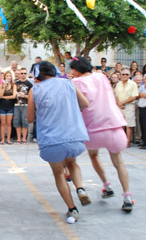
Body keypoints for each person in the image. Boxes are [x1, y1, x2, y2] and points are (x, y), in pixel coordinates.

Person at [27, 61, 90, 222]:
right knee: (72, 164)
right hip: (74, 136)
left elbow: (30, 118)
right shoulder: (68, 83)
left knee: (58, 174)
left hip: (51, 140)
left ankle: (72, 208)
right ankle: (80, 188)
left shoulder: (35, 90)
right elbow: (85, 103)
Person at [71, 56, 135, 212]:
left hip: (92, 129)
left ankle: (107, 185)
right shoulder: (101, 76)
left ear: (76, 70)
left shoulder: (75, 83)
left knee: (94, 156)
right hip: (113, 125)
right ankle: (127, 196)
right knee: (119, 161)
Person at [114, 69, 139, 147]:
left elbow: (134, 96)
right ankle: (121, 141)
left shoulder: (133, 84)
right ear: (120, 75)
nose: (125, 76)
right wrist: (119, 103)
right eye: (123, 74)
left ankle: (127, 142)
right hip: (119, 106)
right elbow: (116, 95)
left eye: (126, 74)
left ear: (129, 75)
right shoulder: (118, 84)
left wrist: (123, 102)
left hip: (129, 106)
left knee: (129, 125)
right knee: (120, 125)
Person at [14, 68, 33, 144]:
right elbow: (13, 94)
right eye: (21, 73)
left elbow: (32, 96)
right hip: (17, 104)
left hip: (26, 105)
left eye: (24, 73)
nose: (23, 75)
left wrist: (24, 96)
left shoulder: (29, 84)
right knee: (17, 121)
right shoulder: (16, 83)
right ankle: (18, 138)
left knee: (25, 122)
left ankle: (24, 138)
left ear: (27, 74)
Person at [0, 71, 17, 145]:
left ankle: (8, 139)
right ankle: (2, 139)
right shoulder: (1, 85)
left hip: (10, 106)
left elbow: (13, 96)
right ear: (4, 77)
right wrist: (4, 87)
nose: (8, 77)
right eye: (7, 76)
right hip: (2, 106)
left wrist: (4, 97)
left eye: (9, 76)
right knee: (3, 123)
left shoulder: (14, 85)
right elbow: (0, 96)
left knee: (9, 123)